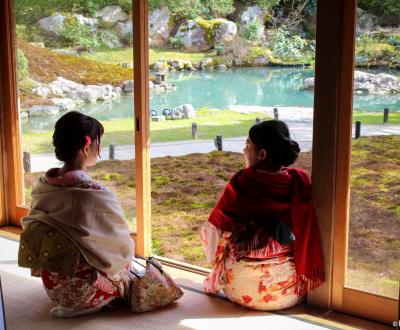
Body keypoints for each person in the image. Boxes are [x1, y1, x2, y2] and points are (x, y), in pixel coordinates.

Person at [18, 111, 134, 318]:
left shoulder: (44, 185)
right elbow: (119, 243)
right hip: (84, 292)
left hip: (54, 287)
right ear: (86, 146)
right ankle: (91, 304)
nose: (99, 148)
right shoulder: (94, 194)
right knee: (127, 265)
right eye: (99, 143)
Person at [200, 120, 324, 310]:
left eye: (247, 145)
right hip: (288, 293)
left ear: (262, 154)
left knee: (212, 235)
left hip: (240, 292)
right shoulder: (299, 182)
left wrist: (216, 261)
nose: (243, 150)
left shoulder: (242, 182)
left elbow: (215, 233)